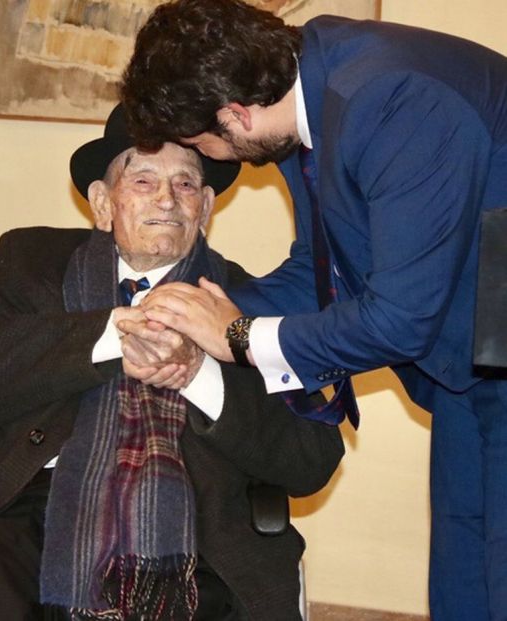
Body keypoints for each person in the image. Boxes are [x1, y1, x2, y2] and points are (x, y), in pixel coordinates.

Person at [120, 2, 507, 620]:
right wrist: (195, 311)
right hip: (475, 359)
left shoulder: (391, 98)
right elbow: (323, 267)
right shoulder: (310, 92)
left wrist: (240, 336)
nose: (218, 157)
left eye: (201, 144)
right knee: (465, 583)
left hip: (484, 340)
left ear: (235, 114)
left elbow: (399, 319)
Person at [0, 104, 343, 621]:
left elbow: (311, 457)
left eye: (185, 184)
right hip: (33, 504)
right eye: (144, 180)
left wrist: (200, 373)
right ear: (103, 204)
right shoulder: (34, 266)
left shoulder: (249, 304)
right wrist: (111, 334)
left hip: (193, 528)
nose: (167, 199)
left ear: (206, 209)